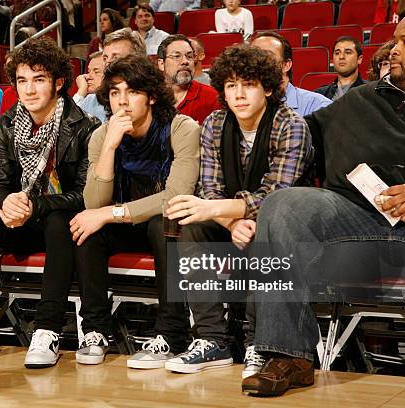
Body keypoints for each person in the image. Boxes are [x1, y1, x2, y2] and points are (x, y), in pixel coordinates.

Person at [243, 13, 405, 397]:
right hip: (356, 217)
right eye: (393, 40)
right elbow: (304, 135)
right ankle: (291, 356)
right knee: (284, 206)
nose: (393, 49)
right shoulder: (363, 97)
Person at [0, 37, 99, 365]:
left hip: (59, 216)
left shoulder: (83, 126)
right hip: (20, 215)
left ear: (58, 82)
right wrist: (6, 203)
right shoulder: (8, 122)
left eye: (39, 79)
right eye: (22, 81)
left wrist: (35, 206)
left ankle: (48, 328)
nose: (29, 89)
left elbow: (84, 194)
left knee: (60, 222)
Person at [163, 44, 311, 377]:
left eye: (248, 84)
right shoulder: (215, 123)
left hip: (281, 227)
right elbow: (210, 189)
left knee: (267, 227)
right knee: (190, 225)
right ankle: (212, 340)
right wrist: (231, 223)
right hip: (232, 223)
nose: (239, 94)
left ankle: (260, 343)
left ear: (268, 88)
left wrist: (232, 214)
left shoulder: (291, 125)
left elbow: (277, 195)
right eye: (231, 86)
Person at [70, 54, 200, 367]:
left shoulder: (181, 128)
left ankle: (173, 333)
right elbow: (94, 204)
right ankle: (96, 330)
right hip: (126, 225)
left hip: (169, 227)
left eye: (132, 92)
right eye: (115, 93)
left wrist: (108, 214)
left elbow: (175, 196)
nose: (122, 102)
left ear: (152, 96)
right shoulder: (102, 135)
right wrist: (110, 147)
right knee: (87, 229)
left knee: (165, 223)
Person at [252, 31, 332, 116]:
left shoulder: (319, 107)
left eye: (267, 56)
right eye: (253, 56)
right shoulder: (241, 106)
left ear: (286, 65)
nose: (259, 62)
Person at [157, 34, 220, 124]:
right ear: (161, 64)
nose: (185, 61)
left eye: (189, 56)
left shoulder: (212, 98)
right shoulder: (151, 97)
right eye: (177, 56)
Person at [314, 36, 366, 101]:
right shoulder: (320, 94)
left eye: (348, 52)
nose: (341, 57)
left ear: (359, 59)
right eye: (337, 53)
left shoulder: (370, 91)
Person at [73, 51, 106, 123]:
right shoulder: (90, 99)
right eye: (89, 71)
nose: (87, 77)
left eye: (96, 72)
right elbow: (69, 124)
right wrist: (81, 91)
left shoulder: (117, 102)